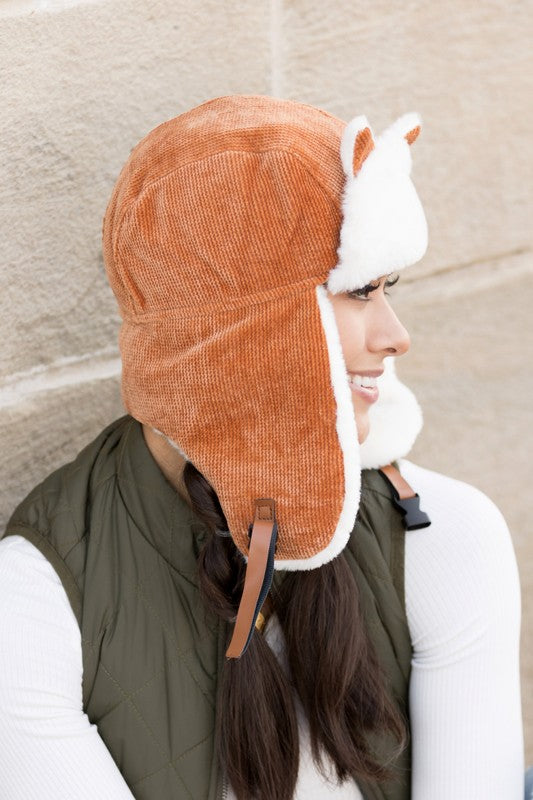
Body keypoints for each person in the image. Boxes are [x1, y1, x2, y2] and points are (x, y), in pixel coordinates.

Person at [0, 95, 528, 800]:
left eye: (385, 289)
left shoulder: (442, 539)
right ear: (251, 331)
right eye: (358, 293)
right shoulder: (36, 601)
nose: (395, 335)